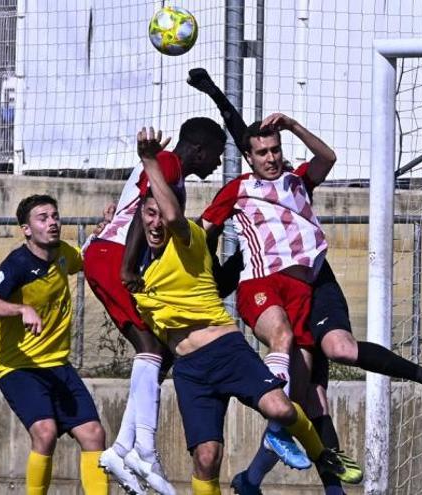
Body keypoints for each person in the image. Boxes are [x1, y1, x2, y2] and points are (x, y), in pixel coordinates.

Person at [187, 67, 422, 495]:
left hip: (310, 287)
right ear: (249, 157)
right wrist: (205, 277)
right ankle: (285, 446)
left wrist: (293, 125)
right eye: (262, 152)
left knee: (316, 389)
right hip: (265, 285)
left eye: (276, 149)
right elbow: (201, 232)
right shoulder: (239, 189)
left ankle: (257, 478)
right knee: (292, 362)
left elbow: (327, 158)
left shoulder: (298, 181)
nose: (271, 157)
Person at [127, 126, 363, 494]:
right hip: (190, 369)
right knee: (206, 457)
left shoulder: (187, 240)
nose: (156, 222)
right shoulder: (142, 276)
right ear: (139, 219)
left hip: (226, 351)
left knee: (283, 408)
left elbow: (174, 217)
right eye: (149, 215)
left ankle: (323, 455)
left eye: (161, 214)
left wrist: (149, 161)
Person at [83, 117, 226, 494]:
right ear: (199, 150)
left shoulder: (168, 170)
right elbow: (140, 214)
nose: (217, 163)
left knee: (161, 352)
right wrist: (129, 266)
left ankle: (121, 450)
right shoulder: (167, 164)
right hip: (115, 256)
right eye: (216, 154)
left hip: (111, 256)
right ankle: (143, 450)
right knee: (151, 349)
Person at [0, 194, 108, 495]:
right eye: (43, 218)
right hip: (19, 366)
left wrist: (105, 229)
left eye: (55, 216)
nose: (52, 223)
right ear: (26, 229)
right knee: (45, 433)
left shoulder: (63, 253)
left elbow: (85, 257)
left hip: (57, 364)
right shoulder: (18, 264)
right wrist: (20, 309)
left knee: (93, 434)